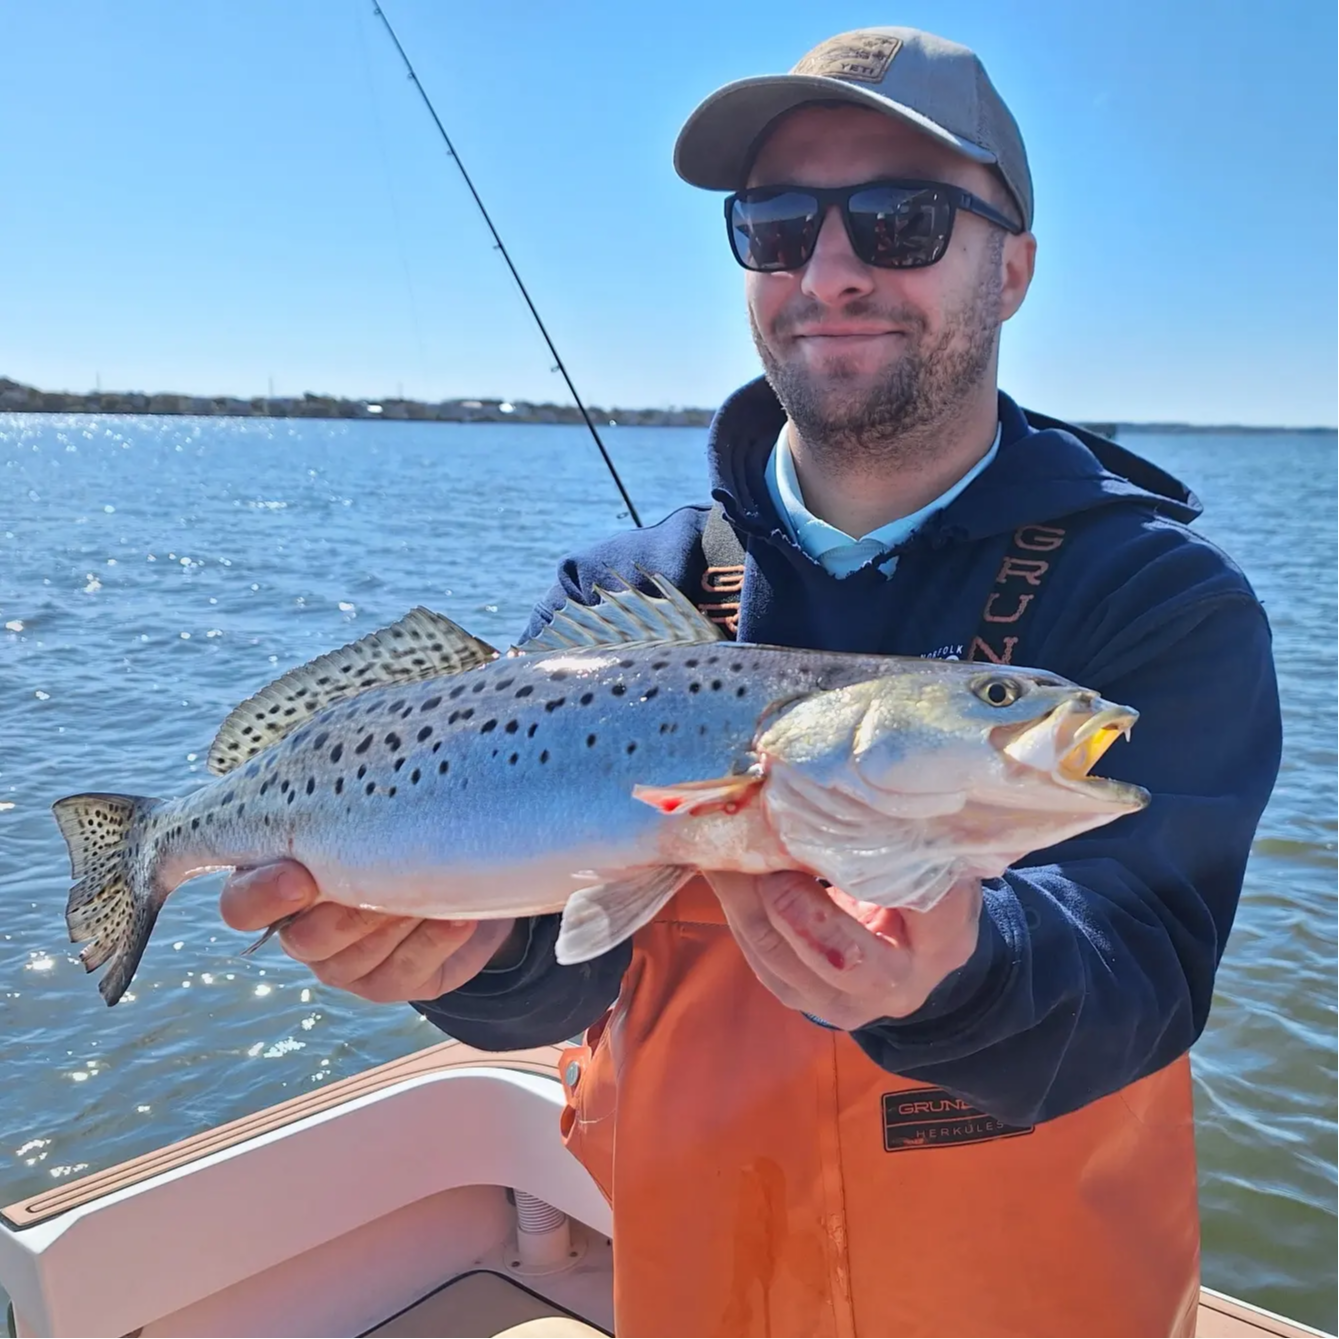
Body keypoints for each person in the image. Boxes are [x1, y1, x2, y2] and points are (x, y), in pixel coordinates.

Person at [221, 26, 1282, 1338]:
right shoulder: (615, 593)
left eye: (898, 220)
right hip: (702, 1284)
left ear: (1010, 267)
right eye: (776, 227)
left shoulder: (1156, 600)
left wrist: (958, 963)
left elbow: (1144, 966)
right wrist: (456, 951)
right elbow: (562, 967)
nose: (827, 270)